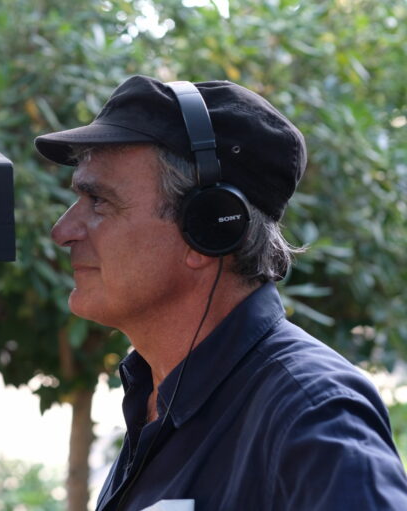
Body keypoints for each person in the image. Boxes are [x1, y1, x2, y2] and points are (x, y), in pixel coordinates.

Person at [34, 76, 407, 510]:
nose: (62, 231)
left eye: (99, 201)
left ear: (207, 227)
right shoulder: (155, 397)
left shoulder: (311, 413)